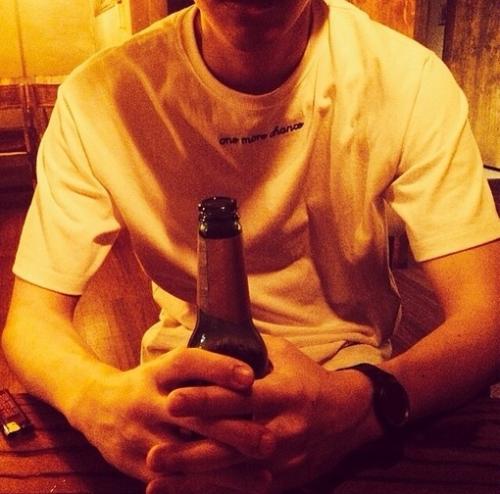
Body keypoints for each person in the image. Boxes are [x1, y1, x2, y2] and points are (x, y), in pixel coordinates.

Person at [3, 0, 500, 492]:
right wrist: (97, 401)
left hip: (350, 390)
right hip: (181, 401)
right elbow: (32, 320)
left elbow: (487, 317)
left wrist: (364, 407)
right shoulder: (98, 96)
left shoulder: (406, 77)